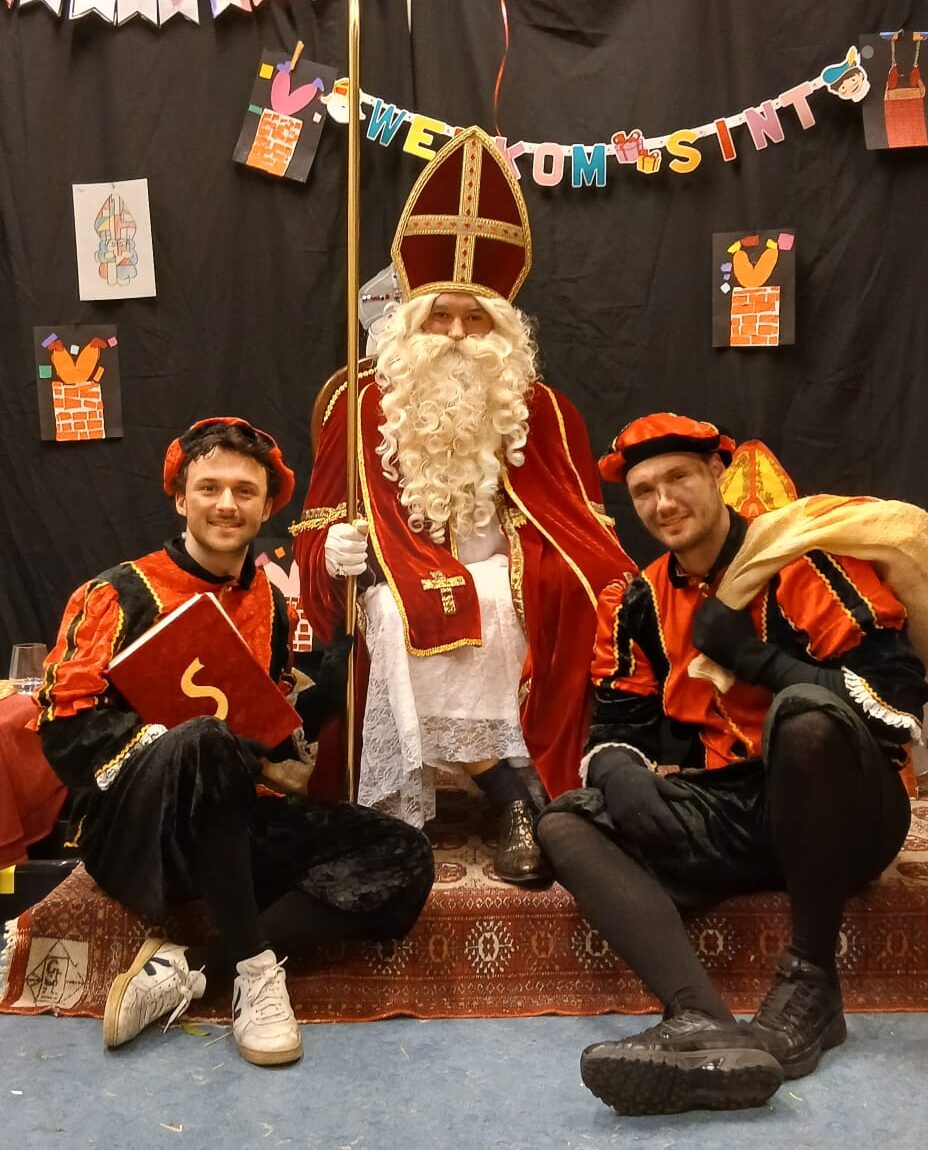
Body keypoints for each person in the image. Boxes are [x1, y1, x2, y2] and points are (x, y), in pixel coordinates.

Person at [536, 412, 928, 1115]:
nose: (664, 503)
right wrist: (619, 772)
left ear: (717, 475)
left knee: (804, 720)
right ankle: (702, 1021)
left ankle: (813, 982)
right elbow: (617, 724)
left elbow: (896, 706)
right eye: (645, 490)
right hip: (744, 807)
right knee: (566, 824)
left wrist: (756, 660)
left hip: (848, 812)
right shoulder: (637, 600)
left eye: (679, 479)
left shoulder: (805, 564)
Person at [35, 417, 434, 1066]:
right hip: (139, 834)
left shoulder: (273, 607)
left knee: (403, 850)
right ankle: (255, 973)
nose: (227, 504)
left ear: (268, 507)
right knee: (205, 739)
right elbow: (65, 732)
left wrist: (303, 723)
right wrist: (202, 747)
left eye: (245, 492)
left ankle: (197, 965)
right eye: (210, 488)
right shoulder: (116, 593)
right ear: (180, 498)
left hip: (233, 825)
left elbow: (268, 719)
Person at [293, 127, 634, 884]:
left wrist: (541, 568)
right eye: (440, 316)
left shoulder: (544, 410)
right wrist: (333, 549)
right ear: (410, 321)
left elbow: (586, 535)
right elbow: (313, 529)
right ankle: (511, 797)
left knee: (518, 602)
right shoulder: (361, 402)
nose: (456, 333)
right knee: (395, 612)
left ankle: (528, 786)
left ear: (502, 328)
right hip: (398, 582)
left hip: (507, 576)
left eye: (475, 318)